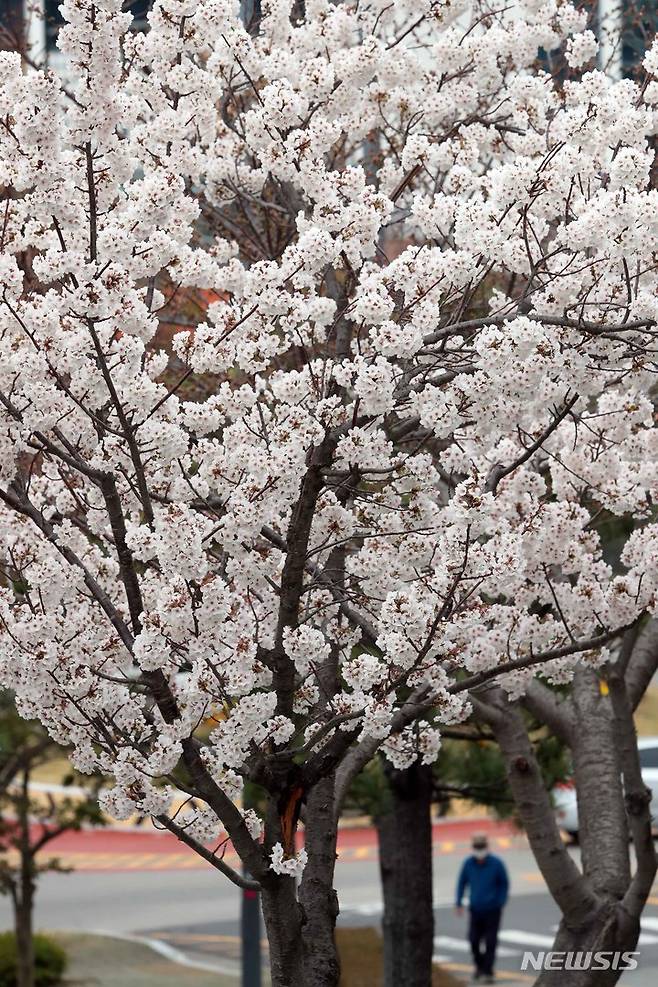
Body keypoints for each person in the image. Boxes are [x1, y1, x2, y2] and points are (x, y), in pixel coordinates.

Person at [455, 833, 509, 983]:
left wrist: (500, 901)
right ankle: (479, 966)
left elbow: (504, 884)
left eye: (481, 847)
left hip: (492, 910)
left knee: (490, 941)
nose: (479, 850)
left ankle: (488, 971)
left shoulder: (497, 863)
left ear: (487, 847)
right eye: (477, 847)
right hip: (475, 909)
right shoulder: (468, 863)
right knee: (473, 940)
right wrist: (458, 903)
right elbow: (461, 883)